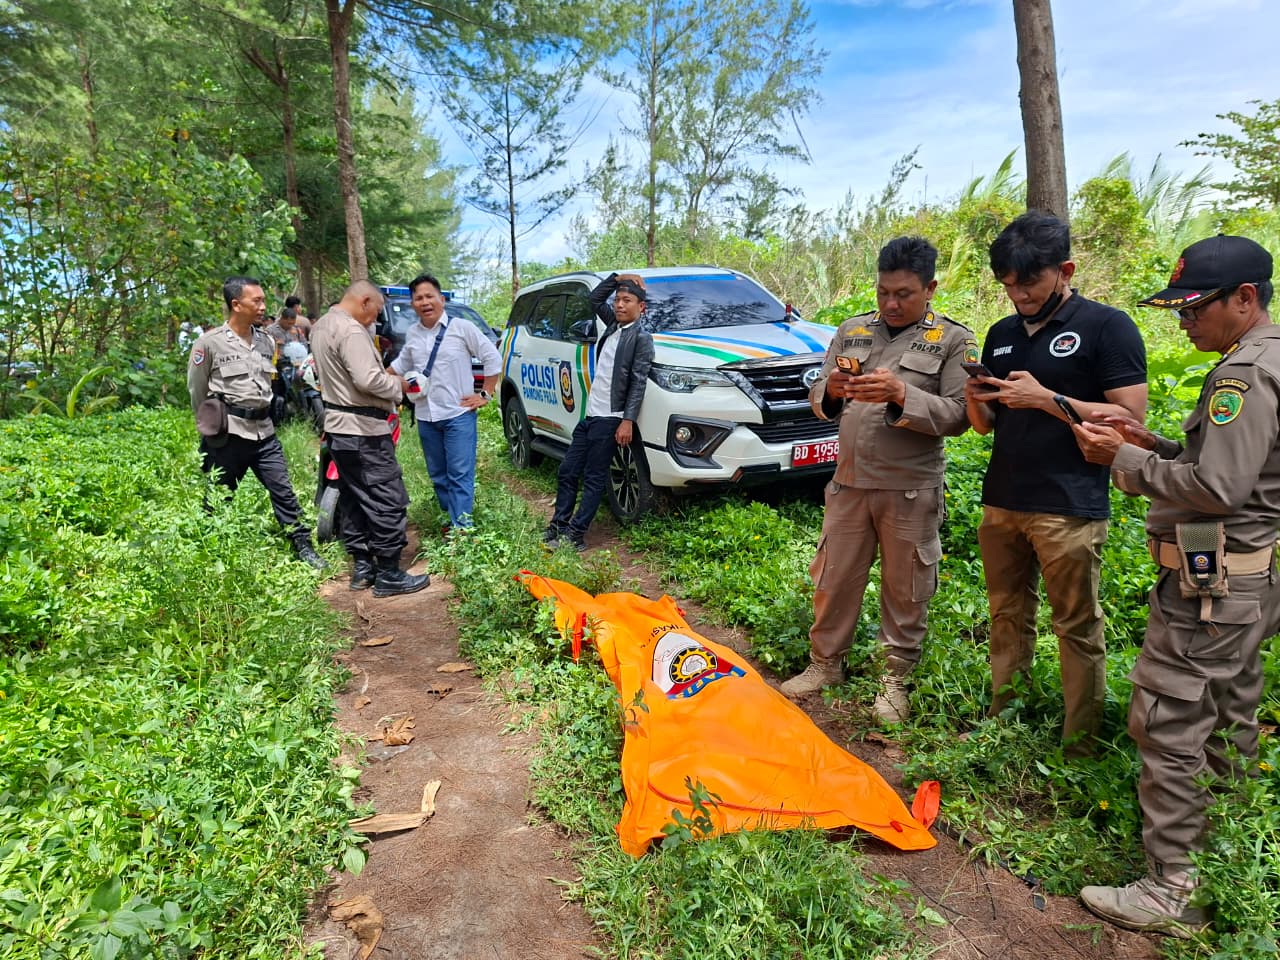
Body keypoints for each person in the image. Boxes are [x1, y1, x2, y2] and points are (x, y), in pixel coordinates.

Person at [1073, 236, 1279, 936]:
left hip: (1210, 591)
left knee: (1165, 720)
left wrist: (1125, 462)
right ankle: (1226, 853)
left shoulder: (1241, 377)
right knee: (1230, 713)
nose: (1183, 323)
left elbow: (1218, 489)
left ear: (1244, 299)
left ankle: (1173, 890)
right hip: (1253, 581)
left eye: (1195, 309)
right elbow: (1227, 466)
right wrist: (1148, 440)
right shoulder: (1266, 359)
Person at [965, 212, 1148, 756]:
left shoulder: (1106, 327)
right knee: (1006, 614)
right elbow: (987, 425)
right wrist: (977, 399)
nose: (1017, 294)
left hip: (1069, 504)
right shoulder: (1000, 335)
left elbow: (1129, 417)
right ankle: (1007, 714)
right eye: (1007, 285)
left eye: (1029, 282)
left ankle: (1081, 744)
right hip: (1003, 501)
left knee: (1076, 626)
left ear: (1065, 270)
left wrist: (1048, 400)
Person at [779, 237, 974, 722]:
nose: (890, 303)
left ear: (930, 288)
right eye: (883, 291)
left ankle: (895, 681)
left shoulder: (952, 341)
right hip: (848, 483)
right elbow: (820, 397)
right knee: (833, 579)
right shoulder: (852, 330)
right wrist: (832, 390)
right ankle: (825, 664)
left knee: (905, 586)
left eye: (903, 293)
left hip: (909, 488)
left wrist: (901, 394)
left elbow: (959, 415)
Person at [187, 276, 325, 571]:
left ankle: (304, 546)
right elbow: (197, 392)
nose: (263, 306)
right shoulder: (209, 344)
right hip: (228, 435)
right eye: (257, 301)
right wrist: (211, 426)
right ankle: (212, 554)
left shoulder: (265, 341)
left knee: (283, 491)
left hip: (265, 433)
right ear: (236, 304)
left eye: (263, 300)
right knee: (218, 496)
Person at [310, 280, 429, 598]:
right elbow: (367, 379)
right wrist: (401, 386)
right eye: (376, 310)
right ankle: (389, 573)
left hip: (338, 428)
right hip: (364, 430)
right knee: (389, 499)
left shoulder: (322, 326)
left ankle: (363, 568)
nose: (376, 317)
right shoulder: (350, 330)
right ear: (364, 301)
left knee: (354, 498)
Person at [543, 272, 654, 552]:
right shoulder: (612, 327)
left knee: (594, 479)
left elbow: (638, 382)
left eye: (627, 300)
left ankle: (576, 535)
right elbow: (594, 299)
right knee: (567, 471)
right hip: (591, 416)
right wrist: (617, 278)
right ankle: (558, 525)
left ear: (641, 307)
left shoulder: (641, 338)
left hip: (611, 419)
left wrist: (627, 420)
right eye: (617, 300)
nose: (619, 305)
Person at [389, 274, 502, 534]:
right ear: (413, 304)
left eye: (430, 296)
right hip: (427, 417)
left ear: (441, 299)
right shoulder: (413, 334)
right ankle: (450, 519)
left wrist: (484, 395)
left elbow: (492, 357)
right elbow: (397, 368)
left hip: (458, 415)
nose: (425, 302)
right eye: (419, 298)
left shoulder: (462, 328)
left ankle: (462, 530)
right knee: (438, 475)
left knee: (460, 475)